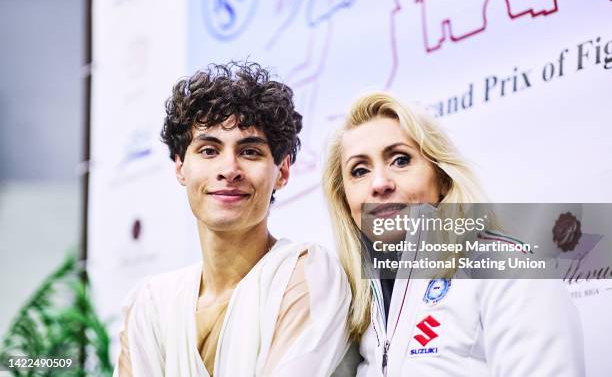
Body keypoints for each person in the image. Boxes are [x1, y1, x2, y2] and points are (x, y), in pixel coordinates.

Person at [322, 92, 585, 376]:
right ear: (345, 200)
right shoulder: (354, 306)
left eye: (400, 160)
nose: (379, 183)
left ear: (443, 178)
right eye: (359, 171)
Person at [114, 62, 350, 376]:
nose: (229, 169)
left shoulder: (307, 273)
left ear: (282, 171)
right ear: (180, 167)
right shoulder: (150, 304)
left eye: (250, 151)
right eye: (209, 150)